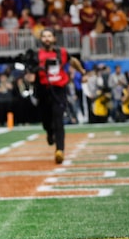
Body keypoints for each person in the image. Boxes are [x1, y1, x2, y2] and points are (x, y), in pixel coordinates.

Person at [26, 28, 86, 164]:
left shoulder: (61, 52)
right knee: (46, 120)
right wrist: (31, 74)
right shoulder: (36, 55)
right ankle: (49, 132)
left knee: (58, 118)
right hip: (42, 90)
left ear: (54, 38)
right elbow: (29, 75)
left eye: (49, 36)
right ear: (41, 40)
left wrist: (82, 72)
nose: (47, 38)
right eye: (44, 36)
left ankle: (60, 150)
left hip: (59, 90)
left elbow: (73, 61)